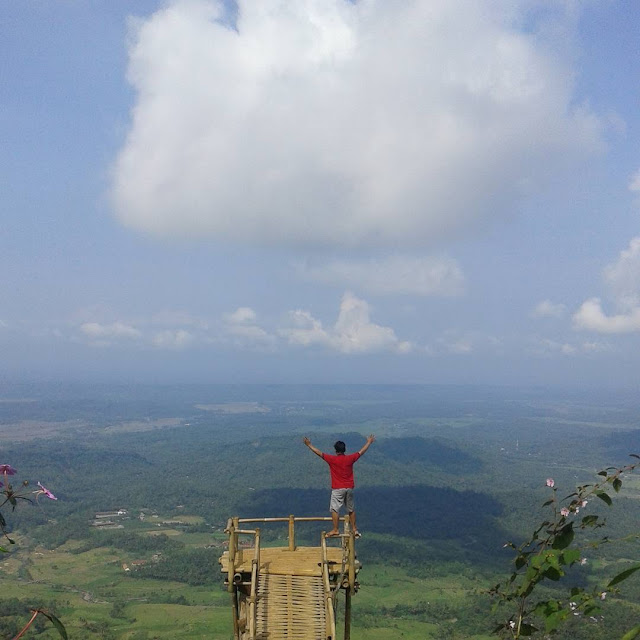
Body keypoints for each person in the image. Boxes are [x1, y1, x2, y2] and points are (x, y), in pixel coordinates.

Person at [303, 434, 375, 538]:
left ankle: (335, 529)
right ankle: (354, 529)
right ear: (344, 450)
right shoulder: (350, 458)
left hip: (337, 488)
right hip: (349, 487)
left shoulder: (332, 459)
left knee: (335, 509)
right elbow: (361, 452)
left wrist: (309, 445)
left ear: (336, 450)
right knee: (351, 509)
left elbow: (319, 453)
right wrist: (369, 442)